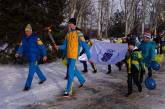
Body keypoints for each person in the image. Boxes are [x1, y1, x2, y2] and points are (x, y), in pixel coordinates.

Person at [54, 18, 91, 97]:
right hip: (68, 56)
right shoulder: (68, 34)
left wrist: (89, 56)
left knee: (70, 72)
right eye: (68, 24)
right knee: (73, 70)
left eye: (70, 24)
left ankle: (68, 91)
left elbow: (85, 45)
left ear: (74, 24)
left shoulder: (79, 33)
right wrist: (58, 47)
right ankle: (82, 80)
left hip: (74, 56)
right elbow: (65, 46)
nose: (69, 25)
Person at [15, 24, 47, 91]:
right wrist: (18, 52)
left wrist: (44, 55)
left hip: (35, 57)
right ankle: (43, 78)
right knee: (36, 68)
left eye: (29, 31)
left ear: (31, 31)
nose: (27, 32)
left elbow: (42, 46)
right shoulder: (23, 39)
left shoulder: (36, 38)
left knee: (31, 71)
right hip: (29, 57)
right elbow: (21, 47)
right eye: (26, 31)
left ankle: (27, 86)